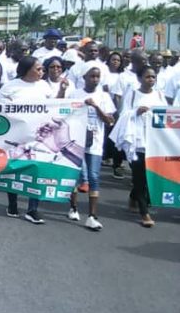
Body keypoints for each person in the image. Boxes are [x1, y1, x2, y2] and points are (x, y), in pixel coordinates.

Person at [112, 65, 167, 227]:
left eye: (153, 77)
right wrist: (136, 112)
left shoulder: (159, 94)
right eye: (147, 77)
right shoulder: (133, 93)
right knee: (139, 176)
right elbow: (123, 114)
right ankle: (144, 213)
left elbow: (165, 114)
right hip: (137, 141)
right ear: (140, 78)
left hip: (154, 141)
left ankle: (133, 197)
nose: (150, 80)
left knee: (149, 177)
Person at [0, 56, 50, 223]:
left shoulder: (44, 86)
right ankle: (12, 204)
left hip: (38, 137)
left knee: (37, 170)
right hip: (16, 135)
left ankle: (33, 209)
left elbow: (55, 106)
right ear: (27, 70)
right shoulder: (10, 87)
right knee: (14, 168)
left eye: (42, 69)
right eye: (38, 69)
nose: (42, 72)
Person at [67, 66, 115, 230]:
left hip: (95, 141)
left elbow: (109, 120)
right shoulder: (75, 94)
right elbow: (65, 114)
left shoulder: (103, 96)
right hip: (76, 140)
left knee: (94, 176)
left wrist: (95, 106)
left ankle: (92, 216)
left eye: (97, 76)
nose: (95, 79)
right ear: (84, 77)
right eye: (91, 76)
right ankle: (73, 207)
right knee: (75, 174)